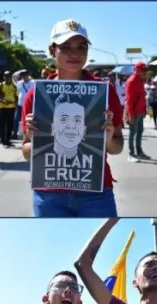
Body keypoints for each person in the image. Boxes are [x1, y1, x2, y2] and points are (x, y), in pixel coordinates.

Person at [21, 19, 124, 217]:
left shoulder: (105, 92)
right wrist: (34, 137)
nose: (74, 54)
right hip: (49, 195)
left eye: (81, 47)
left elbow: (117, 147)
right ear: (52, 51)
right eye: (65, 47)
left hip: (96, 192)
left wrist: (109, 138)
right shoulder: (36, 95)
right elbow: (26, 152)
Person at [125, 61, 149, 159]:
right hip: (134, 112)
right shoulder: (132, 81)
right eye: (143, 71)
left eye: (145, 71)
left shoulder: (140, 80)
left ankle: (139, 152)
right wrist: (130, 115)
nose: (144, 73)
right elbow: (129, 100)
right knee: (132, 132)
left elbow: (140, 96)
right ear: (137, 70)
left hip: (140, 111)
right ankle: (131, 153)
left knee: (139, 132)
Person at [0, 71, 18, 147]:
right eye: (5, 76)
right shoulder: (0, 85)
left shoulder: (14, 86)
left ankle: (8, 141)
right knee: (1, 125)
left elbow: (16, 96)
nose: (7, 78)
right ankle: (3, 141)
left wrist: (16, 105)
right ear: (4, 77)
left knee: (10, 125)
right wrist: (3, 101)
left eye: (8, 76)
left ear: (11, 77)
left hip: (11, 108)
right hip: (1, 107)